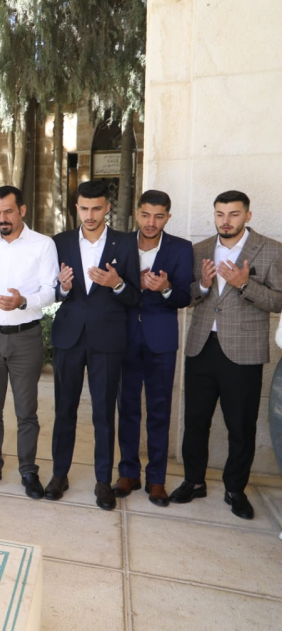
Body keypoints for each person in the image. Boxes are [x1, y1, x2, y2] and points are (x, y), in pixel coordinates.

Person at [173, 191, 282, 520]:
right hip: (201, 346)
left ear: (247, 216)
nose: (226, 221)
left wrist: (244, 284)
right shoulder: (200, 249)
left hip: (244, 352)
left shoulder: (271, 249)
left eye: (233, 214)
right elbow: (187, 297)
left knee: (241, 426)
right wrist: (203, 286)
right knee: (195, 421)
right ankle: (194, 481)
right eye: (220, 214)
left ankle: (235, 489)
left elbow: (278, 302)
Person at [48, 180, 141, 510]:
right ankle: (59, 474)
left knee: (103, 413)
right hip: (69, 337)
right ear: (77, 208)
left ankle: (103, 481)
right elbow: (51, 292)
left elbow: (135, 297)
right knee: (64, 410)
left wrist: (117, 284)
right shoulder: (59, 242)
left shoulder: (125, 243)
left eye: (97, 208)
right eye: (84, 208)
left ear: (107, 208)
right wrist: (61, 288)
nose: (90, 215)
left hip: (108, 339)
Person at [0, 186, 57, 498]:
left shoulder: (43, 245)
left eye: (8, 211)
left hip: (26, 338)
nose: (2, 218)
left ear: (22, 210)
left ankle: (28, 470)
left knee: (26, 411)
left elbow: (50, 290)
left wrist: (23, 301)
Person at [114, 191, 193, 506]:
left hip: (161, 339)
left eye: (159, 216)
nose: (151, 222)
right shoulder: (120, 244)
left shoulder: (181, 248)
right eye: (146, 215)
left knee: (160, 409)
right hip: (125, 336)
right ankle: (128, 472)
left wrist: (166, 287)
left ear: (168, 217)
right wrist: (129, 283)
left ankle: (156, 479)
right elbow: (110, 289)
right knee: (127, 407)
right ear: (137, 213)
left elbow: (185, 297)